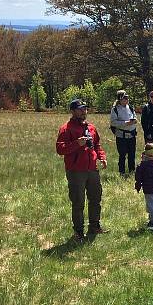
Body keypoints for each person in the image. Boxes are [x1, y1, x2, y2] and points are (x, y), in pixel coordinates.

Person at [55, 99, 107, 239]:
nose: (83, 111)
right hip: (76, 171)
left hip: (92, 169)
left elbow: (97, 145)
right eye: (80, 109)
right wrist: (77, 143)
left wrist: (101, 157)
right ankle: (78, 232)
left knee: (95, 199)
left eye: (85, 109)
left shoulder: (91, 127)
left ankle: (94, 226)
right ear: (72, 111)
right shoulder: (66, 129)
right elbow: (60, 149)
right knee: (78, 202)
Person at [110, 89, 138, 176]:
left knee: (132, 155)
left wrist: (134, 121)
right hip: (121, 136)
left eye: (127, 98)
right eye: (125, 98)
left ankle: (132, 171)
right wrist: (126, 123)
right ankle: (121, 172)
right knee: (122, 155)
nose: (127, 99)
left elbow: (135, 118)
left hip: (132, 136)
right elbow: (113, 123)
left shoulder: (130, 108)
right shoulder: (115, 109)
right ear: (120, 99)